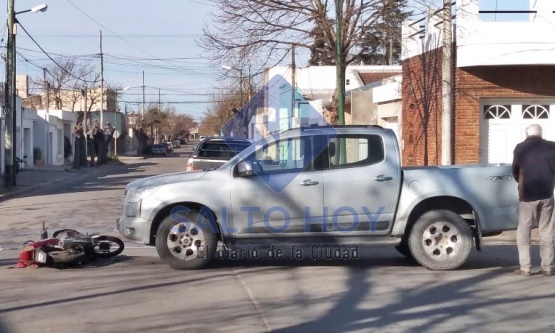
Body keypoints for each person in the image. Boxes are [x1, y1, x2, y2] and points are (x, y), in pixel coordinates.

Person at [512, 124, 555, 276]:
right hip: (547, 193)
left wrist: (520, 182)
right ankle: (548, 267)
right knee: (547, 230)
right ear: (541, 133)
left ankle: (525, 267)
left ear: (526, 134)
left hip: (527, 194)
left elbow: (515, 170)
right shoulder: (552, 147)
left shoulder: (521, 148)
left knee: (524, 230)